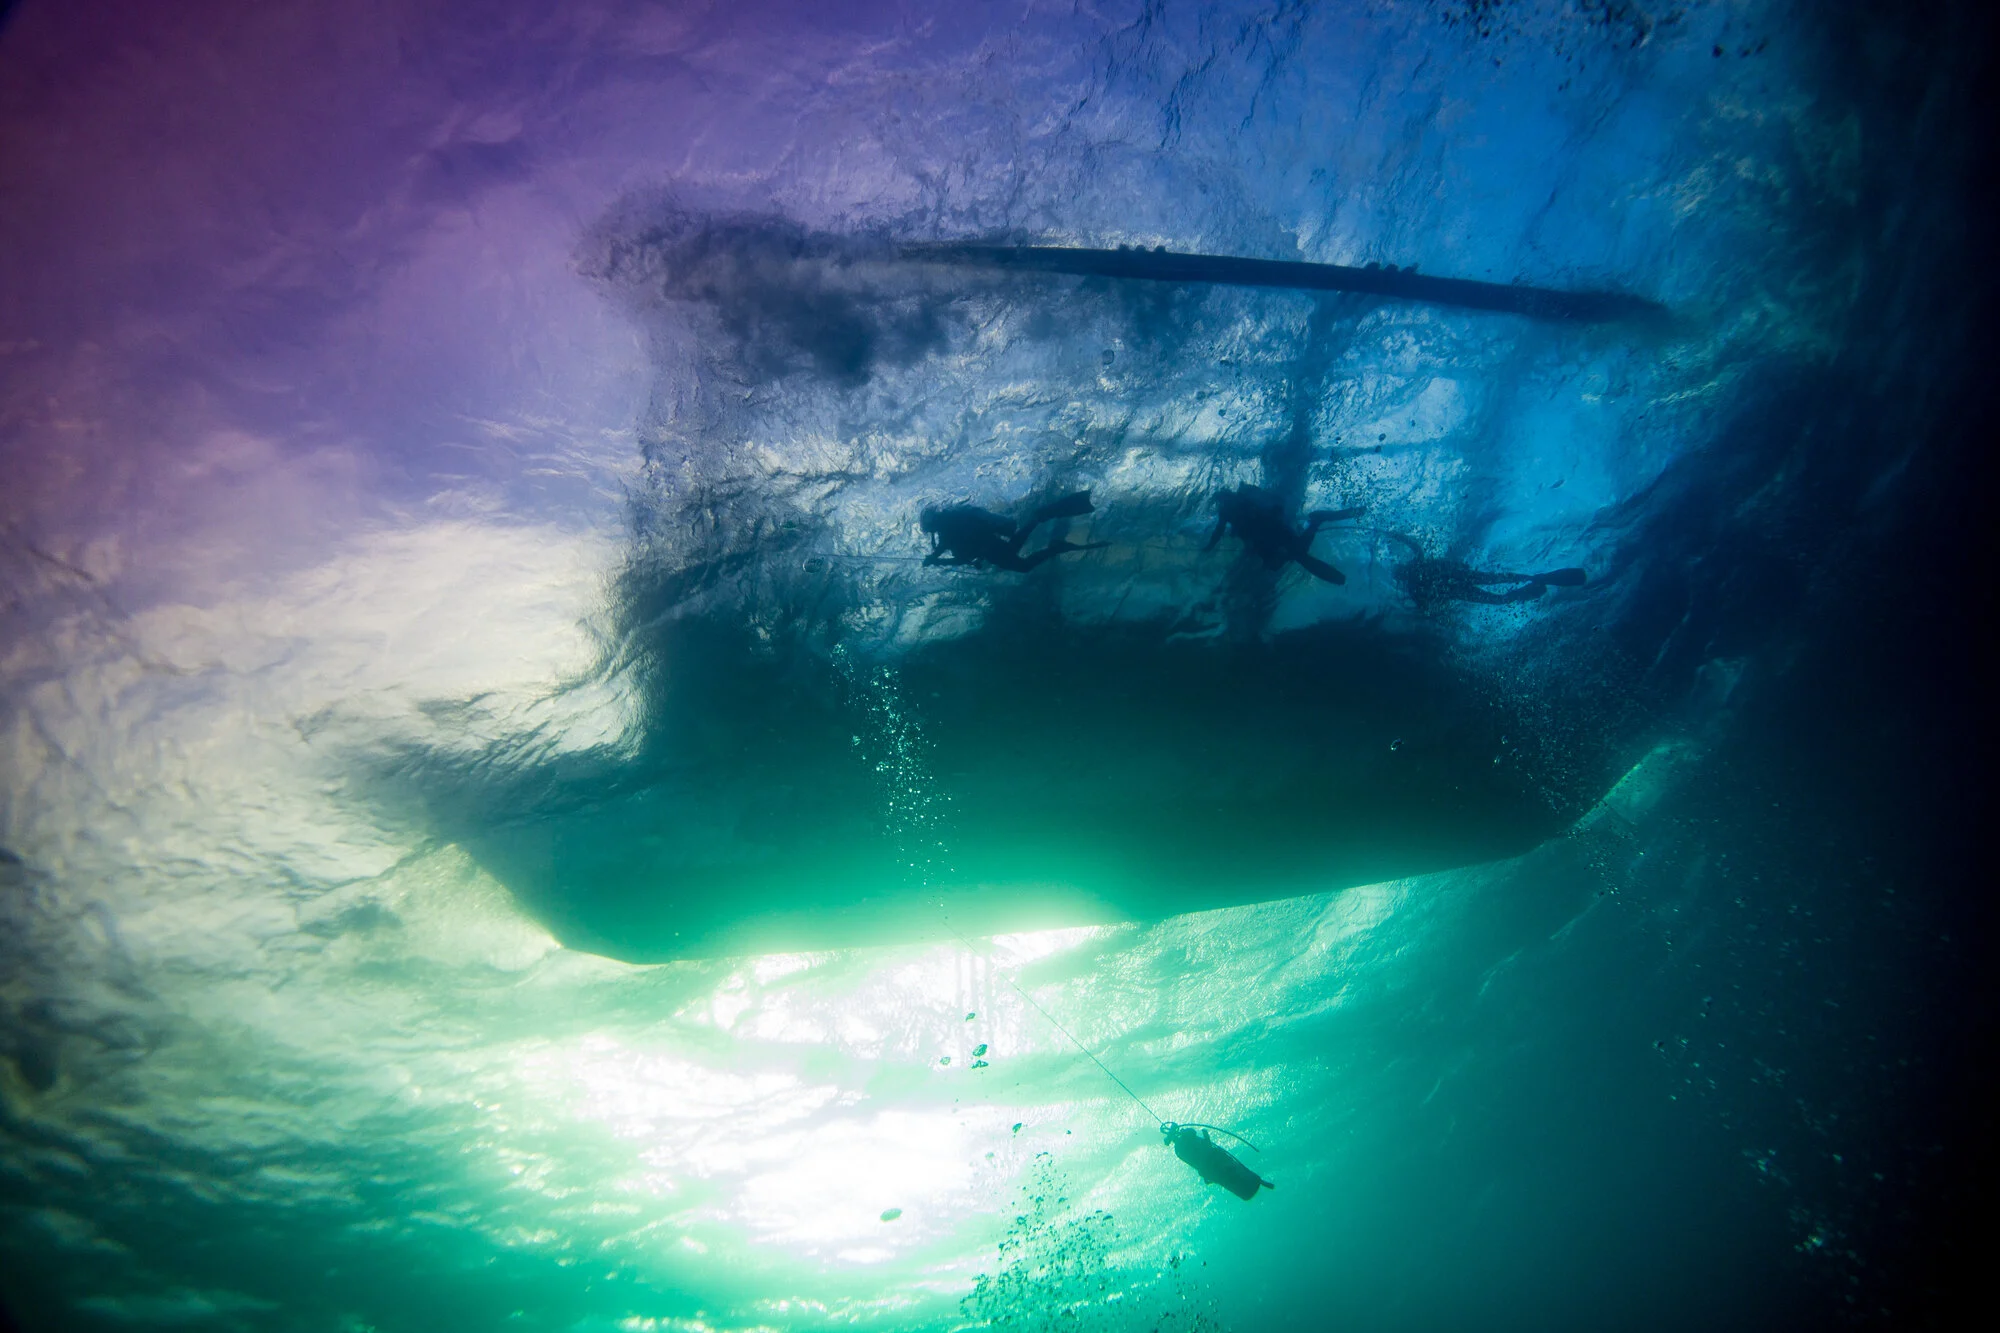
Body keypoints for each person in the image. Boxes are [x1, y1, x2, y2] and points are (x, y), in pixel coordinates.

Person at [1379, 531, 1587, 609]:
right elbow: (1427, 607)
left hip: (1460, 580)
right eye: (1401, 571)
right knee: (1496, 586)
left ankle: (1532, 582)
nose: (1404, 571)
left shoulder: (1416, 572)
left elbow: (1415, 546)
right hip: (1460, 585)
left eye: (1401, 570)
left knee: (1495, 584)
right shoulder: (1415, 580)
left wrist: (1397, 535)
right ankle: (1531, 583)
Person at [1205, 484, 1365, 584]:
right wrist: (1210, 546)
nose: (1225, 503)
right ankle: (1316, 521)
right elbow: (1219, 530)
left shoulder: (1243, 500)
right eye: (1223, 501)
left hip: (1274, 533)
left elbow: (1273, 505)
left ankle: (1317, 521)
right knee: (1286, 560)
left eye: (1224, 500)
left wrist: (1210, 546)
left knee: (1298, 554)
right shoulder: (1228, 510)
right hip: (1265, 540)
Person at [920, 490, 1106, 571]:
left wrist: (937, 561)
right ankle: (1037, 521)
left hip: (991, 549)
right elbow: (944, 548)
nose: (932, 532)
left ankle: (1052, 543)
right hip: (992, 545)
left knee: (1023, 566)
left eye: (931, 529)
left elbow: (960, 559)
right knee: (1014, 551)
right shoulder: (949, 529)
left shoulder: (948, 532)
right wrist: (934, 558)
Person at [1162, 1122, 1274, 1200]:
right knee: (1234, 1173)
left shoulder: (1180, 1150)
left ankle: (1256, 1184)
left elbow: (1198, 1159)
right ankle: (1257, 1183)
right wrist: (1205, 1137)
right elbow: (1204, 1150)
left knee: (1233, 1176)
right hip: (1215, 1163)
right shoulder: (1183, 1146)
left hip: (1213, 1168)